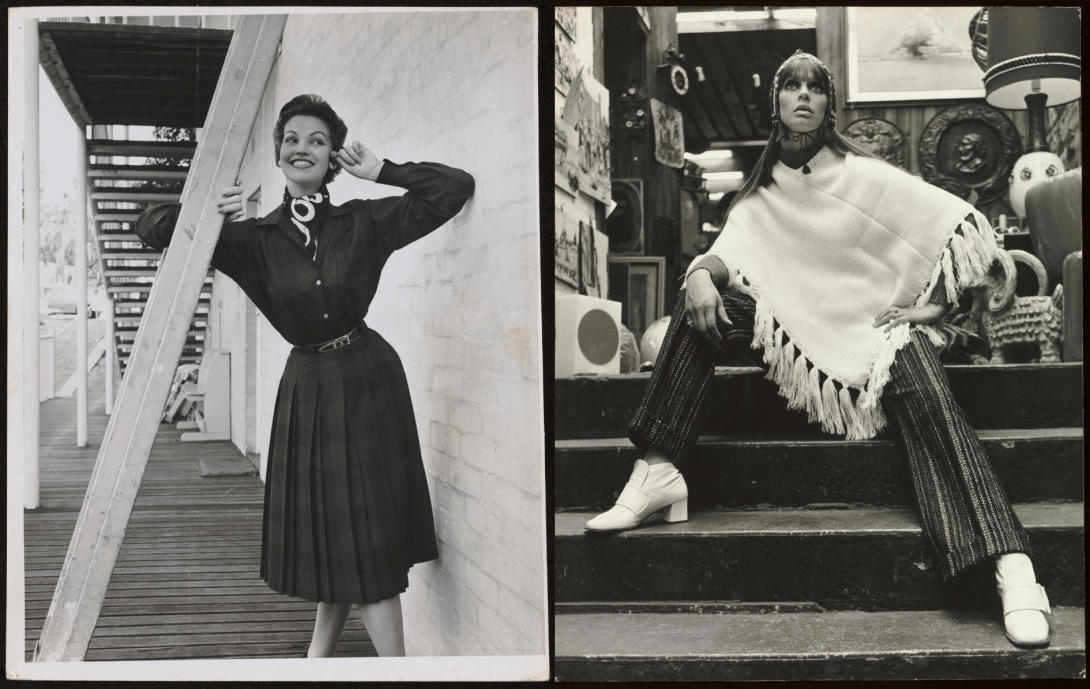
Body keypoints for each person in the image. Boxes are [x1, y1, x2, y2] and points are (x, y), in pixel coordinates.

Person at [584, 51, 1051, 649]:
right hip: (791, 324)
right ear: (776, 101)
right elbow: (731, 253)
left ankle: (1011, 564)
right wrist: (700, 271)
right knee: (698, 300)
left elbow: (951, 223)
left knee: (924, 382)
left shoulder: (861, 175)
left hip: (876, 328)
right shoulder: (760, 195)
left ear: (829, 105)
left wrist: (931, 308)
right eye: (791, 85)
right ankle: (657, 470)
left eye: (815, 87)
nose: (803, 94)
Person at [136, 94, 474, 657]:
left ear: (333, 156)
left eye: (317, 140)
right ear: (277, 154)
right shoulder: (250, 239)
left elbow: (453, 189)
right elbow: (149, 229)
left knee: (363, 538)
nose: (302, 148)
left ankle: (393, 672)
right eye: (291, 139)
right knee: (336, 533)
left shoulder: (363, 221)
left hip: (368, 382)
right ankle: (317, 658)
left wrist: (383, 171)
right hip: (309, 389)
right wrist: (202, 211)